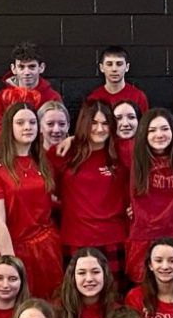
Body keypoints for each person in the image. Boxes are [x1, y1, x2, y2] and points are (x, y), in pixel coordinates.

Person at [0, 102, 64, 300]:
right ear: (10, 127)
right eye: (20, 122)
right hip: (11, 246)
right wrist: (11, 264)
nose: (27, 127)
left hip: (46, 248)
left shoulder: (44, 162)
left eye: (32, 122)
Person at [56, 101, 130, 279]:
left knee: (113, 300)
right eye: (93, 123)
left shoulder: (122, 151)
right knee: (76, 301)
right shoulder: (65, 153)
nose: (99, 129)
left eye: (105, 123)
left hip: (113, 239)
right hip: (75, 240)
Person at [126, 109, 173, 284]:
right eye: (152, 130)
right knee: (145, 294)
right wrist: (72, 138)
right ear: (143, 134)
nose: (159, 134)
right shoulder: (132, 155)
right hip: (145, 235)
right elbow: (98, 141)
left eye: (165, 129)